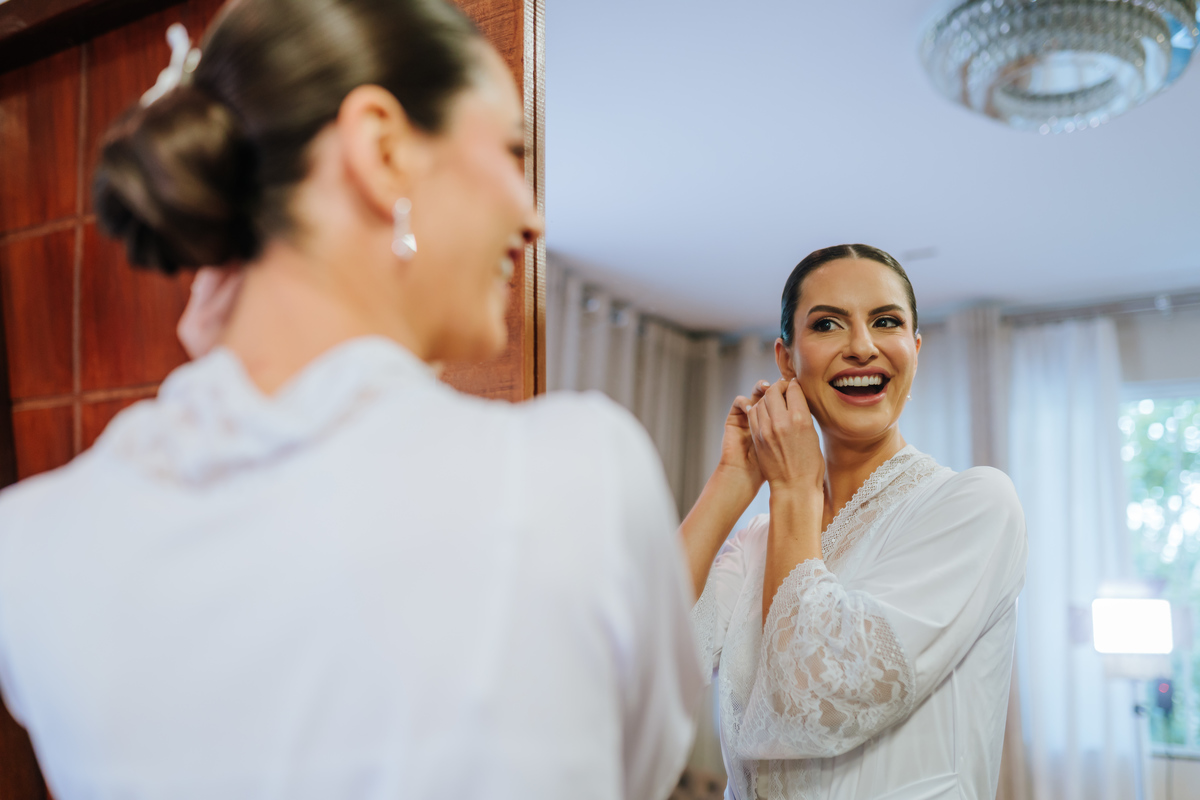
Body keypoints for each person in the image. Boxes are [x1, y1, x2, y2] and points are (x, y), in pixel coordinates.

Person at [0, 1, 702, 798]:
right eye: (512, 150)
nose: (532, 215)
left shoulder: (30, 547)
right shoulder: (581, 479)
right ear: (382, 150)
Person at [681, 244, 1027, 800]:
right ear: (787, 360)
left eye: (886, 322)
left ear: (915, 350)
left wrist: (793, 488)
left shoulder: (976, 505)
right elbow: (643, 667)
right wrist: (730, 480)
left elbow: (815, 699)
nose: (863, 347)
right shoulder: (759, 540)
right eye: (827, 324)